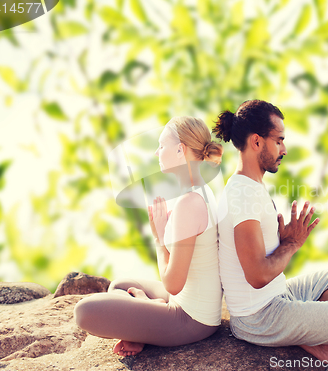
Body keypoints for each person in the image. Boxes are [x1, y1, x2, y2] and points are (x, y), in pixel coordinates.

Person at [213, 100, 328, 365]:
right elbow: (257, 275)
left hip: (279, 296)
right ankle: (309, 334)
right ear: (257, 142)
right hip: (259, 316)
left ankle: (310, 335)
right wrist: (290, 244)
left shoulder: (249, 186)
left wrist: (278, 242)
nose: (284, 149)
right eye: (279, 140)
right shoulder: (242, 194)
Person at [74, 116, 223, 356]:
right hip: (185, 303)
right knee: (121, 285)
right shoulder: (202, 192)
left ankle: (143, 321)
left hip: (190, 319)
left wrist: (159, 238)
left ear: (179, 150)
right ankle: (143, 321)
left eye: (161, 145)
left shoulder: (190, 203)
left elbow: (173, 284)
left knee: (84, 311)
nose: (156, 152)